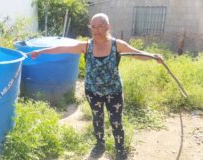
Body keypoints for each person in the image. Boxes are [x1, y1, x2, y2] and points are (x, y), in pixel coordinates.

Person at [29, 13, 163, 160]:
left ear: (108, 27)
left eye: (100, 26)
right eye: (93, 27)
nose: (97, 30)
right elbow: (62, 48)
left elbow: (136, 54)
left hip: (114, 92)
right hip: (93, 92)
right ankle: (100, 144)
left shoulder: (116, 44)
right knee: (97, 119)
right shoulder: (86, 46)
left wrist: (152, 56)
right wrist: (40, 52)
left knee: (116, 122)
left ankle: (120, 150)